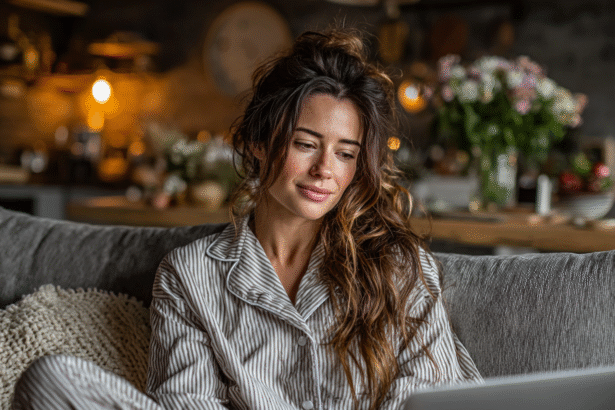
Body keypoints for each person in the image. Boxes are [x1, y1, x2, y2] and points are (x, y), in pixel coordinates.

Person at [12, 28, 481, 410]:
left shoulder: (397, 265)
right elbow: (185, 400)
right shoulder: (190, 276)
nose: (325, 170)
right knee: (54, 379)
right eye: (305, 144)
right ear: (258, 141)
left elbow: (433, 397)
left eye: (345, 153)